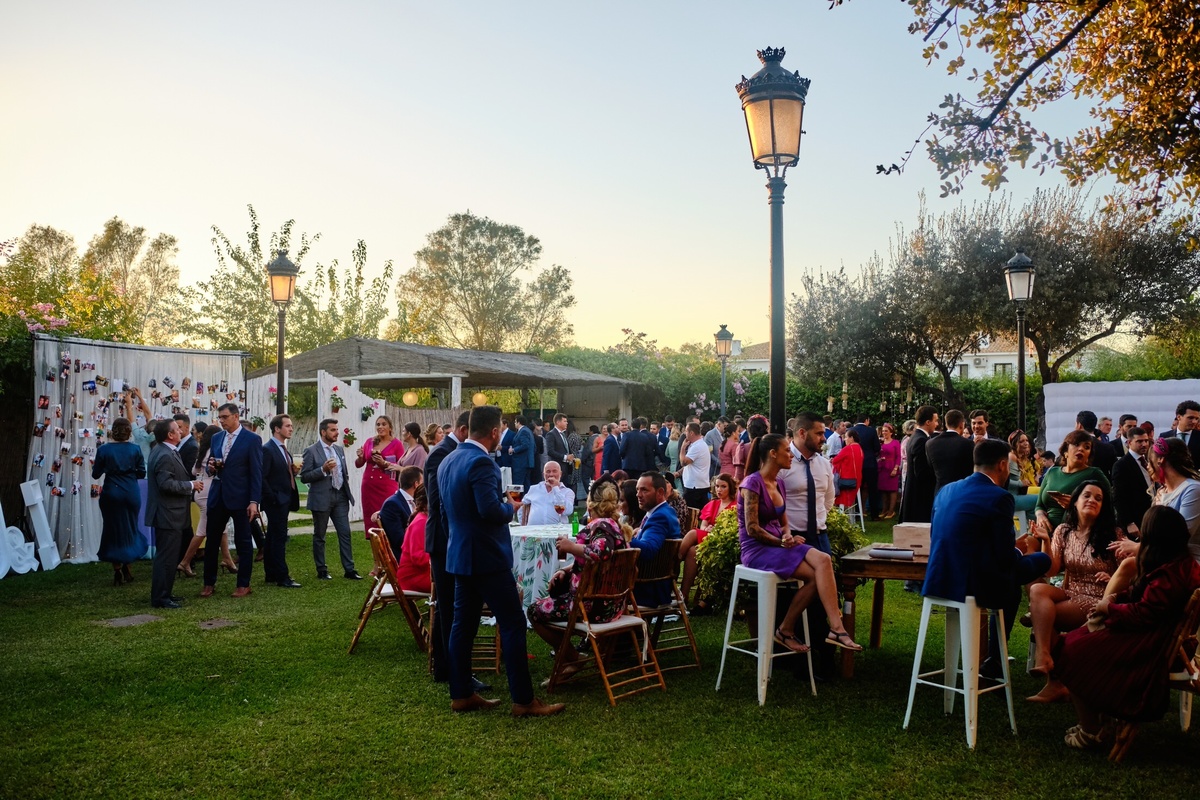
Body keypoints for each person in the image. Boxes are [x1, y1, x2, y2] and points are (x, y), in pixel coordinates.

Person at [440, 405, 564, 717]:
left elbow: (444, 514)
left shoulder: (448, 460)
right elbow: (490, 511)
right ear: (495, 432)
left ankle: (461, 694)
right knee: (512, 623)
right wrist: (511, 507)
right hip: (488, 557)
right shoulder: (482, 462)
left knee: (462, 625)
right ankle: (524, 700)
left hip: (460, 554)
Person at [1054, 506, 1200, 749]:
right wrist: (1116, 599)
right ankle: (1098, 722)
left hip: (1151, 647)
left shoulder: (1171, 575)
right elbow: (1145, 598)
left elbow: (1144, 613)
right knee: (1076, 638)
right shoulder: (1179, 564)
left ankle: (1091, 730)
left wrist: (1109, 609)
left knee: (1069, 649)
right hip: (1153, 636)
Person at [923, 440, 1051, 676]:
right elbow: (1004, 557)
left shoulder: (946, 490)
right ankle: (995, 656)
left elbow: (937, 535)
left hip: (940, 577)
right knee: (1040, 562)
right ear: (1002, 465)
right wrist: (1019, 549)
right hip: (975, 582)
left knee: (1012, 581)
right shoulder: (999, 497)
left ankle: (996, 658)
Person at [737, 433, 862, 653]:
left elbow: (784, 523)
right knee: (815, 573)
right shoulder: (752, 483)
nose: (791, 455)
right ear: (772, 454)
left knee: (823, 560)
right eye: (787, 451)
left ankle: (833, 628)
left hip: (777, 544)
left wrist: (787, 535)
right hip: (756, 549)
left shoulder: (779, 483)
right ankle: (790, 629)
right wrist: (781, 542)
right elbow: (752, 528)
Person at [1027, 480, 1121, 702]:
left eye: (1098, 498)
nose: (1092, 500)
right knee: (1038, 589)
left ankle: (1054, 677)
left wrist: (1112, 578)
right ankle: (1046, 658)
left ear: (1103, 507)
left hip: (1097, 597)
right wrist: (1045, 540)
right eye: (1086, 495)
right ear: (1075, 501)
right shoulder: (1064, 531)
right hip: (1070, 591)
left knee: (1042, 617)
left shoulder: (1112, 534)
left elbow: (1128, 574)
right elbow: (1051, 570)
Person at [527, 477, 630, 674]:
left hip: (592, 607)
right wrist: (566, 570)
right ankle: (569, 658)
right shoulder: (613, 525)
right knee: (549, 602)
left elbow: (601, 552)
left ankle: (572, 658)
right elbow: (598, 562)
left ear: (591, 504)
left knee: (534, 611)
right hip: (613, 605)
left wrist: (571, 547)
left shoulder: (601, 526)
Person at [424, 411, 469, 683]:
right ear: (464, 431)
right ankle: (451, 669)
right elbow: (438, 501)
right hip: (444, 540)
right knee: (450, 606)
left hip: (452, 539)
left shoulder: (452, 451)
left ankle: (446, 667)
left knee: (449, 605)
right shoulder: (442, 453)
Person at [201, 402, 263, 598]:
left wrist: (254, 501)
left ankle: (243, 584)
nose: (222, 421)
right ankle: (208, 583)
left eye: (225, 417)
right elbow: (211, 464)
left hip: (241, 497)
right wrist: (211, 467)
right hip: (218, 495)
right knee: (212, 540)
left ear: (236, 416)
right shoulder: (217, 438)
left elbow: (256, 472)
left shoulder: (252, 439)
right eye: (220, 418)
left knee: (243, 541)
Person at [144, 419, 203, 608]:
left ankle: (165, 593)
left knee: (169, 557)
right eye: (177, 429)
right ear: (170, 435)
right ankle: (161, 598)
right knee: (166, 558)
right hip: (168, 514)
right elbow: (166, 484)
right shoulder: (164, 454)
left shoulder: (164, 450)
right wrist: (191, 485)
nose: (181, 431)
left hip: (170, 513)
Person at [92, 417, 148, 586]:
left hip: (111, 493)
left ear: (113, 431)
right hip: (130, 493)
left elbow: (96, 474)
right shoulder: (135, 449)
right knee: (130, 528)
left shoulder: (104, 449)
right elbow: (141, 473)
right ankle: (127, 566)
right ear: (129, 432)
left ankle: (117, 569)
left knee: (113, 529)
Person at [301, 418, 359, 581]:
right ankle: (322, 570)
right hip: (321, 498)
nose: (337, 433)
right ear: (323, 432)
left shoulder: (339, 450)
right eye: (333, 430)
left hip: (340, 496)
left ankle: (349, 569)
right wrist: (323, 469)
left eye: (337, 429)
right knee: (320, 535)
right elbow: (304, 477)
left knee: (345, 533)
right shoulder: (311, 451)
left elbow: (343, 473)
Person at [177, 426, 237, 578]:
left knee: (221, 525)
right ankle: (185, 562)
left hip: (201, 489)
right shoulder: (215, 451)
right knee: (203, 530)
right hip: (210, 491)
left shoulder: (202, 451)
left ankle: (227, 559)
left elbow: (194, 471)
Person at [1034, 430, 1113, 539]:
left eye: (1087, 447)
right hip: (1043, 529)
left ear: (1089, 455)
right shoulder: (1052, 472)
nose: (1081, 449)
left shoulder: (1094, 473)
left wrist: (1076, 505)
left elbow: (1109, 505)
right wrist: (1040, 515)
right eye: (1076, 444)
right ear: (1066, 450)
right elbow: (1039, 505)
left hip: (1073, 533)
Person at [678, 472, 738, 609]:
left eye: (723, 486)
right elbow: (703, 525)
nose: (719, 490)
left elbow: (732, 529)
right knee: (692, 551)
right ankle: (683, 596)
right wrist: (707, 528)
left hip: (720, 542)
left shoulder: (735, 506)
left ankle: (675, 560)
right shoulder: (713, 504)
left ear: (730, 488)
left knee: (693, 533)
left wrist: (713, 530)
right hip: (707, 539)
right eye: (717, 486)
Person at [629, 471, 683, 607]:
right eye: (637, 490)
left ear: (660, 492)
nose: (638, 494)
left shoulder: (660, 516)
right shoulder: (665, 511)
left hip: (645, 589)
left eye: (644, 490)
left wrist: (620, 538)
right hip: (652, 585)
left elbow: (648, 550)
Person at [355, 416, 404, 537]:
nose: (380, 427)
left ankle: (390, 541)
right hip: (369, 485)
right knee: (371, 515)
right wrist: (360, 457)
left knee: (387, 512)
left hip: (387, 484)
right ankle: (374, 540)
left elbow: (401, 466)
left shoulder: (397, 444)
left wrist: (384, 463)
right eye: (378, 424)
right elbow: (359, 464)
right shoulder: (369, 442)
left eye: (383, 424)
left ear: (390, 427)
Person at [1110, 426, 1153, 540]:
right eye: (1139, 441)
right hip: (1136, 519)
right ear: (1129, 443)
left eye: (1146, 441)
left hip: (1152, 515)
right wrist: (1129, 522)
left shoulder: (1149, 460)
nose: (1144, 444)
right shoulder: (1121, 465)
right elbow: (1119, 496)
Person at [900, 405, 939, 523]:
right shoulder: (921, 440)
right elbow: (921, 471)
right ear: (928, 422)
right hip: (919, 494)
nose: (937, 424)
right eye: (935, 420)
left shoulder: (915, 437)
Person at [377, 466, 422, 562]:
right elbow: (399, 540)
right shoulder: (392, 504)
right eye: (423, 483)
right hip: (404, 557)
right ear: (416, 484)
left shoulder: (413, 501)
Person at [925, 409, 975, 497]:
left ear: (946, 424)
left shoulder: (930, 443)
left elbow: (930, 469)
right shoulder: (968, 444)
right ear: (961, 424)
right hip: (961, 492)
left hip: (940, 492)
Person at [173, 412, 198, 567]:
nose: (177, 430)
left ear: (187, 428)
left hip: (185, 488)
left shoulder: (192, 446)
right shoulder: (179, 443)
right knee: (183, 525)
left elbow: (189, 471)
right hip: (180, 488)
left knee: (186, 526)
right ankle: (184, 558)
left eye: (179, 427)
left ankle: (188, 559)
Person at [397, 485, 431, 594]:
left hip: (422, 573)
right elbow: (418, 558)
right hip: (414, 578)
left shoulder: (424, 519)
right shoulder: (421, 522)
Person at [520, 461, 575, 525]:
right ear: (544, 474)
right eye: (548, 471)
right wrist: (522, 524)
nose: (551, 474)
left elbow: (568, 511)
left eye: (554, 471)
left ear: (560, 474)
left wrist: (555, 488)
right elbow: (521, 506)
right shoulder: (534, 489)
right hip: (534, 529)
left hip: (557, 529)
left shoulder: (568, 492)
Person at [850, 414, 881, 519]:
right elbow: (877, 447)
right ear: (866, 420)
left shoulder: (851, 430)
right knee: (873, 489)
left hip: (856, 463)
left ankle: (856, 513)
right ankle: (874, 514)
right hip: (869, 463)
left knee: (856, 488)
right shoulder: (871, 431)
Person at [676, 422, 712, 509]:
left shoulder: (697, 446)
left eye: (686, 431)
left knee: (691, 511)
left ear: (691, 433)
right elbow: (691, 464)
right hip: (698, 484)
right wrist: (679, 473)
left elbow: (684, 462)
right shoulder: (698, 444)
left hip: (694, 486)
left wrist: (682, 448)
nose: (684, 433)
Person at [1005, 429, 1039, 517]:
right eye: (1021, 441)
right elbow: (1004, 481)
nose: (1026, 443)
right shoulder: (1011, 457)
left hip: (1018, 495)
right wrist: (1020, 483)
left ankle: (1029, 522)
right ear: (1015, 444)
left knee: (1043, 493)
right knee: (1040, 499)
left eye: (1026, 440)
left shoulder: (1020, 458)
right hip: (1011, 498)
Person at [830, 428, 863, 510]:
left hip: (846, 480)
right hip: (857, 479)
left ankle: (839, 513)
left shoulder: (848, 448)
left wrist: (832, 460)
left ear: (851, 438)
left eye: (846, 437)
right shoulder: (859, 448)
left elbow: (835, 460)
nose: (844, 439)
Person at [876, 422, 902, 519]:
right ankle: (884, 509)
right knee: (883, 490)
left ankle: (891, 510)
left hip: (891, 466)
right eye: (883, 431)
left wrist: (896, 468)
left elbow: (898, 456)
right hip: (882, 467)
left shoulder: (895, 442)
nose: (884, 432)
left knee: (892, 490)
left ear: (891, 432)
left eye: (886, 431)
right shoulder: (880, 442)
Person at [1164, 399, 1200, 467]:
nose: (1194, 421)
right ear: (1179, 417)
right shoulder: (1165, 437)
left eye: (1197, 418)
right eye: (1190, 418)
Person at [545, 413, 576, 487]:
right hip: (556, 468)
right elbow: (550, 451)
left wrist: (572, 457)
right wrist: (565, 457)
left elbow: (566, 449)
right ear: (558, 422)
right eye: (564, 421)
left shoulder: (563, 434)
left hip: (565, 468)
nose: (567, 423)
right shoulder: (551, 434)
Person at [510, 415, 537, 491]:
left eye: (515, 422)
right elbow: (534, 447)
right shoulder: (528, 431)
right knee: (526, 485)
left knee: (517, 485)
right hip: (527, 463)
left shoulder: (523, 431)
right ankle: (526, 499)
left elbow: (525, 445)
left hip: (521, 463)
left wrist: (513, 450)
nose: (514, 424)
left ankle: (516, 498)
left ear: (519, 422)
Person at [665, 423, 683, 490]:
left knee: (673, 485)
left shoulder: (670, 442)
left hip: (672, 466)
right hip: (679, 466)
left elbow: (666, 454)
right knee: (680, 486)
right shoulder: (681, 442)